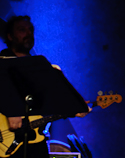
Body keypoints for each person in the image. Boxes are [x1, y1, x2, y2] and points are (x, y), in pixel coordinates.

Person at [0, 15, 90, 158]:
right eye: (22, 30)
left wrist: (73, 108)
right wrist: (11, 109)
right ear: (10, 36)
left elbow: (49, 104)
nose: (28, 34)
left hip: (35, 143)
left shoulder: (42, 69)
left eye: (31, 30)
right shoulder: (2, 64)